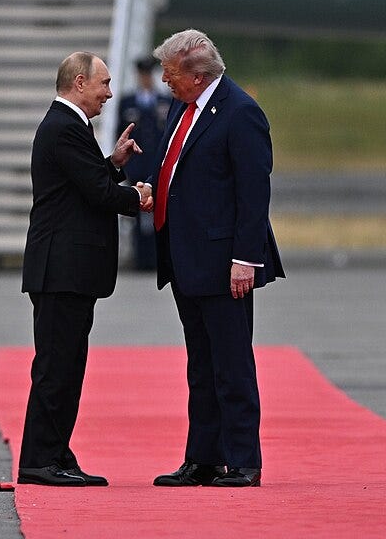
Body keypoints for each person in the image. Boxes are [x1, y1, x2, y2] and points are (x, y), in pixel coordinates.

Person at [145, 29, 284, 488]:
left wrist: (246, 258)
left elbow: (253, 192)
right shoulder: (181, 108)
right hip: (186, 259)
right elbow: (179, 172)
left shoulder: (241, 113)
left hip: (225, 263)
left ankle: (243, 460)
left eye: (170, 73)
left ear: (197, 73)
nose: (164, 80)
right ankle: (203, 457)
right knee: (201, 366)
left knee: (231, 364)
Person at [18, 52, 148, 487]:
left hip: (68, 270)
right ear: (79, 82)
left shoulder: (71, 127)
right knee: (57, 366)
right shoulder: (64, 127)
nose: (110, 93)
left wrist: (112, 164)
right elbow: (96, 194)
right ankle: (40, 459)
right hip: (61, 270)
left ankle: (55, 451)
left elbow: (85, 183)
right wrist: (138, 198)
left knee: (68, 365)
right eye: (104, 84)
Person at [116, 56, 171, 271]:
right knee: (138, 211)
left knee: (160, 210)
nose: (146, 79)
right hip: (137, 165)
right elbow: (120, 134)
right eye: (143, 75)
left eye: (149, 74)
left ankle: (158, 256)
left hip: (157, 164)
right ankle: (141, 257)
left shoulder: (164, 101)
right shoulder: (128, 102)